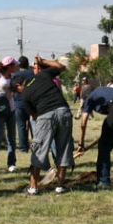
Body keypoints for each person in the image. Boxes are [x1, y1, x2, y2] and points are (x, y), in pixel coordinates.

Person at [18, 56, 74, 195]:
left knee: (39, 150)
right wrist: (43, 61)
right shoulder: (43, 75)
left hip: (45, 115)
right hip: (63, 111)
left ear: (20, 85)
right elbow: (61, 67)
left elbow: (34, 116)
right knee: (64, 148)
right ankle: (60, 186)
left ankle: (33, 187)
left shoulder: (24, 95)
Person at [11, 56, 34, 153]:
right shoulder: (32, 74)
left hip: (18, 102)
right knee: (34, 124)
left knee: (20, 126)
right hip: (31, 102)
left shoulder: (15, 74)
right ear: (27, 63)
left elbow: (12, 88)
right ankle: (37, 145)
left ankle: (23, 148)